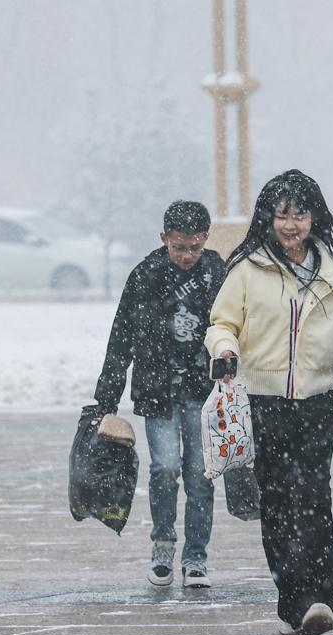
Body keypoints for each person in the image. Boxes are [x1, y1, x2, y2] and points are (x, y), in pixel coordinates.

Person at [205, 169, 333, 635]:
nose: (291, 224)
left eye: (300, 213)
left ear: (315, 217)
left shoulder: (332, 276)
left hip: (318, 406)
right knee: (279, 504)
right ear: (268, 218)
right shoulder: (246, 270)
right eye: (282, 214)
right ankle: (296, 601)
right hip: (263, 404)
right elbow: (220, 324)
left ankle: (324, 600)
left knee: (315, 501)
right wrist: (225, 351)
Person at [94, 200, 226, 588]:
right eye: (179, 247)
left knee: (201, 475)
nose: (187, 256)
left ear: (206, 241)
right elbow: (121, 338)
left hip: (204, 392)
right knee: (165, 467)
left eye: (195, 248)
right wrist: (106, 398)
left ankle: (197, 557)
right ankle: (163, 545)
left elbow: (237, 326)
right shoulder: (145, 275)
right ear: (163, 238)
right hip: (157, 391)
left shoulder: (217, 273)